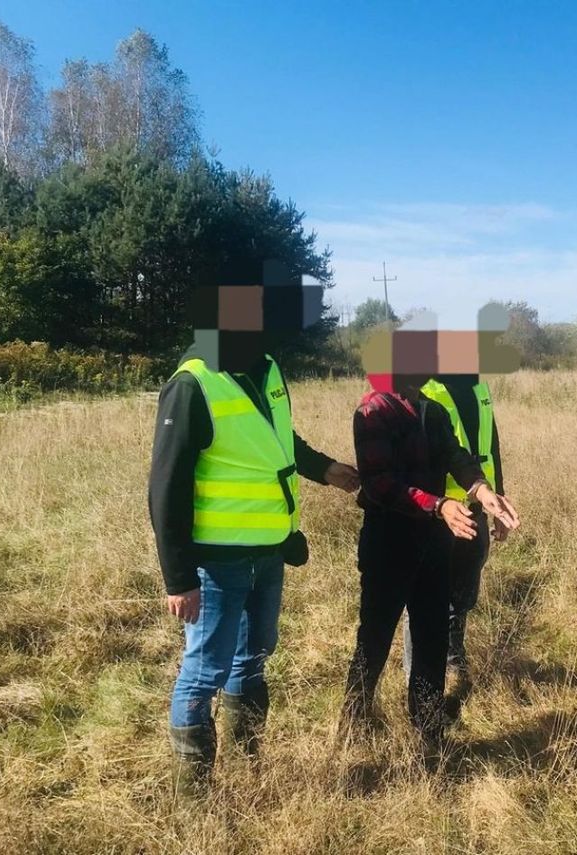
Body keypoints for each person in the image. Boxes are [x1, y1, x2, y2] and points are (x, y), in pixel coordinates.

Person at [149, 270, 358, 798]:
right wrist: (178, 578)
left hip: (269, 553)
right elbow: (165, 489)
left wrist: (325, 467)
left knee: (253, 656)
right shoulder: (192, 384)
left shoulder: (265, 369)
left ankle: (247, 764)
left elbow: (276, 439)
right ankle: (193, 800)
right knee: (203, 671)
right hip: (215, 564)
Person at [342, 373, 520, 747]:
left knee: (432, 635)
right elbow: (381, 484)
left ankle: (427, 726)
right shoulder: (373, 411)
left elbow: (456, 456)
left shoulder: (432, 411)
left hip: (435, 540)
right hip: (388, 539)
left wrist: (483, 490)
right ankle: (354, 718)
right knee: (375, 635)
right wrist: (439, 505)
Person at [402, 372, 505, 713]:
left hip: (476, 507)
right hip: (438, 513)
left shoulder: (478, 386)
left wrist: (498, 497)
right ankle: (420, 689)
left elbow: (491, 445)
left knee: (462, 598)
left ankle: (452, 657)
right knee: (427, 603)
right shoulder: (423, 389)